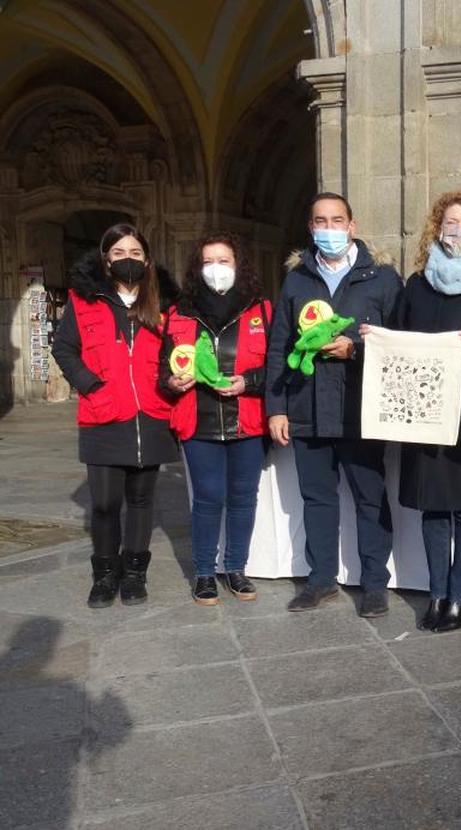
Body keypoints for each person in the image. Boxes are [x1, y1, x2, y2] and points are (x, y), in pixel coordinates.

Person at [265, 193, 403, 618]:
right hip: (307, 406)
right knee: (317, 498)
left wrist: (355, 349)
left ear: (352, 225)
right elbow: (278, 346)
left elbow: (397, 343)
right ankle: (321, 580)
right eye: (321, 221)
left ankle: (375, 584)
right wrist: (276, 407)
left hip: (360, 408)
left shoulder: (381, 278)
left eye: (337, 220)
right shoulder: (297, 280)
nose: (329, 228)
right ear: (310, 228)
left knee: (369, 497)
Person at [387, 190, 461, 632]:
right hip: (422, 409)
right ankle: (437, 594)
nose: (458, 231)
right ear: (438, 228)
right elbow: (397, 337)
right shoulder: (416, 284)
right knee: (434, 508)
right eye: (451, 223)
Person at [51, 223, 178, 608]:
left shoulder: (165, 304)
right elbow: (64, 350)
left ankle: (135, 574)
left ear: (147, 260)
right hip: (104, 414)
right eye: (119, 253)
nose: (128, 259)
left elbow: (176, 352)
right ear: (106, 259)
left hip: (151, 413)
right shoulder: (83, 300)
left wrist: (171, 379)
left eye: (135, 253)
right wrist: (91, 385)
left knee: (142, 500)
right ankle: (105, 575)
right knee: (105, 502)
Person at [161, 233, 271, 605]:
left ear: (238, 266)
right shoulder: (178, 313)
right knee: (208, 498)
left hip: (248, 421)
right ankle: (205, 573)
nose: (216, 269)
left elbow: (278, 368)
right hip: (199, 422)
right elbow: (162, 369)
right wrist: (172, 381)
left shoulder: (262, 311)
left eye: (224, 261)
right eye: (209, 261)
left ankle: (236, 569)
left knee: (243, 498)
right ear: (197, 268)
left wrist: (249, 382)